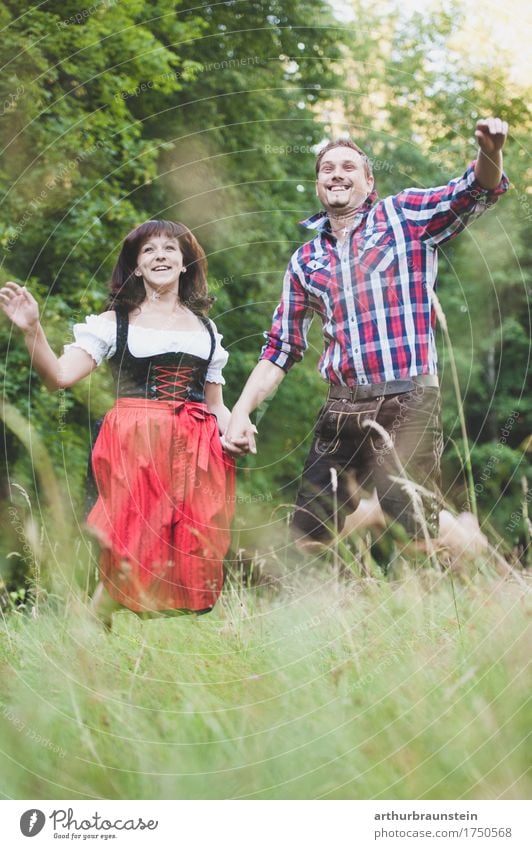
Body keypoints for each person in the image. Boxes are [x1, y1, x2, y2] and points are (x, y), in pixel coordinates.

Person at [223, 118, 509, 550]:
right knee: (309, 532)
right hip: (342, 406)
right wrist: (241, 411)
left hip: (406, 398)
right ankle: (362, 524)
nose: (337, 173)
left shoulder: (403, 217)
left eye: (348, 166)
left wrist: (490, 152)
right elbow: (281, 348)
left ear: (368, 180)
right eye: (327, 168)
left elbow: (474, 191)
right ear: (319, 185)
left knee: (415, 530)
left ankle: (469, 542)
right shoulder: (305, 260)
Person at [0, 220, 235, 615]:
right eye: (148, 250)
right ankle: (94, 622)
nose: (159, 254)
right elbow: (59, 376)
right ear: (137, 267)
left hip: (194, 450)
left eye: (169, 248)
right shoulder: (114, 323)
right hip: (134, 447)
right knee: (132, 545)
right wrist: (33, 329)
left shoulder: (206, 329)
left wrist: (237, 428)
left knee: (187, 548)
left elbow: (216, 406)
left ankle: (129, 646)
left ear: (185, 264)